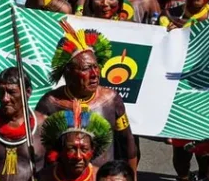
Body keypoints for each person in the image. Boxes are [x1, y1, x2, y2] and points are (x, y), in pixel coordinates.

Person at [35, 22, 136, 169]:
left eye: (95, 67)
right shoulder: (50, 103)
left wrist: (132, 179)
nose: (94, 74)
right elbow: (38, 150)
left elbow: (128, 143)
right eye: (86, 69)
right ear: (68, 73)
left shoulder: (111, 99)